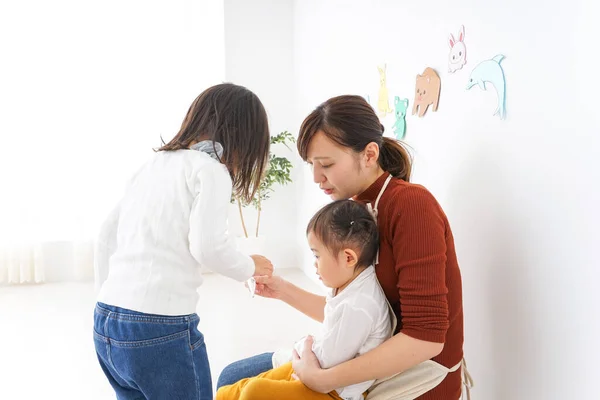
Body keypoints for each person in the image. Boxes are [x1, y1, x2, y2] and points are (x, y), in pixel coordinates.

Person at [217, 95, 466, 399]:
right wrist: (281, 289)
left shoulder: (411, 206)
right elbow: (353, 314)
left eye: (326, 164)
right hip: (366, 366)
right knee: (231, 377)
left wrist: (323, 379)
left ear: (369, 154)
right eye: (311, 165)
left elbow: (426, 339)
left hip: (412, 381)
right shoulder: (358, 210)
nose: (316, 177)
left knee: (245, 387)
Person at [93, 83, 274, 400]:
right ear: (243, 139)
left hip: (106, 321)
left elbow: (105, 236)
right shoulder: (211, 171)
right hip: (159, 329)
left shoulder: (152, 165)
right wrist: (250, 266)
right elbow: (207, 248)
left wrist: (114, 299)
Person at [217, 200, 392, 400]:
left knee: (252, 392)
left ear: (349, 258)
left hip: (334, 392)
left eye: (317, 256)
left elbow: (327, 360)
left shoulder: (360, 306)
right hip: (316, 371)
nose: (314, 264)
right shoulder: (350, 282)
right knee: (232, 390)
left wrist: (303, 348)